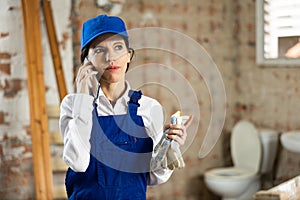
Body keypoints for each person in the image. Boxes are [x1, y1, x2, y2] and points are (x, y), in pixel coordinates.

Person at [59, 14, 192, 199]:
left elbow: (153, 177)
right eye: (99, 50)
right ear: (86, 61)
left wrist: (169, 149)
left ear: (129, 55)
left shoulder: (149, 108)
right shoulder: (72, 105)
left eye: (118, 47)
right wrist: (83, 97)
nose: (111, 57)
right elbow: (78, 163)